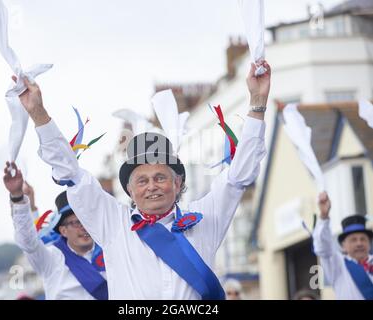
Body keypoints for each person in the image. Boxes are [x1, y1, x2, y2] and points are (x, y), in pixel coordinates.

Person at [14, 61, 270, 299]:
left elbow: (239, 176)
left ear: (178, 183)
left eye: (160, 177)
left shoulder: (205, 217)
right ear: (129, 189)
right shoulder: (113, 223)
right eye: (142, 180)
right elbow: (72, 173)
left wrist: (257, 102)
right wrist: (38, 112)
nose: (152, 186)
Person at [3, 162, 108, 300]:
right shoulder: (51, 257)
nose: (84, 226)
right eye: (76, 222)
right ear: (63, 231)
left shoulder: (109, 248)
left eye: (86, 220)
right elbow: (28, 241)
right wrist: (18, 197)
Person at [313, 191, 373, 300]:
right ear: (343, 246)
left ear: (369, 243)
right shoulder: (338, 264)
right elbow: (322, 247)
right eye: (353, 240)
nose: (359, 243)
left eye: (363, 239)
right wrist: (324, 216)